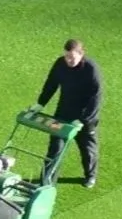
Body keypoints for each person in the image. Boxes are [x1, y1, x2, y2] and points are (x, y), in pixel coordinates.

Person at [37, 38, 101, 187]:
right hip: (63, 112)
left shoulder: (91, 70)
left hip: (86, 117)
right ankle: (47, 181)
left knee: (87, 149)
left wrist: (83, 120)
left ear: (81, 54)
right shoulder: (60, 64)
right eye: (67, 56)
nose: (69, 60)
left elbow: (96, 97)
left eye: (72, 57)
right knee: (54, 148)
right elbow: (51, 83)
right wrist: (40, 104)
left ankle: (90, 176)